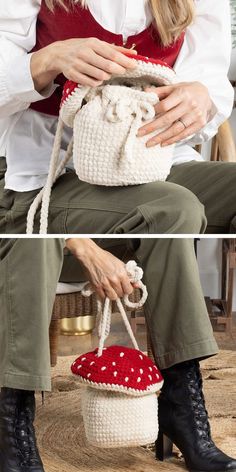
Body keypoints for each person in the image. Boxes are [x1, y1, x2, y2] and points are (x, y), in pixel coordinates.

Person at [0, 0, 236, 235]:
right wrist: (48, 60)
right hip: (50, 172)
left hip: (155, 160)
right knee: (172, 206)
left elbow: (209, 77)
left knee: (183, 201)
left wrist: (200, 98)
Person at [0, 237, 236, 472]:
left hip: (87, 220)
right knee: (35, 239)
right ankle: (12, 419)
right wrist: (82, 245)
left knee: (171, 222)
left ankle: (182, 409)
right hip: (26, 239)